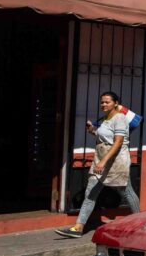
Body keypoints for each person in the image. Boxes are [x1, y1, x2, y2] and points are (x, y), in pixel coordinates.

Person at [56, 91, 140, 238]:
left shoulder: (119, 118)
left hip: (116, 160)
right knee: (90, 193)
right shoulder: (107, 119)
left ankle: (140, 222)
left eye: (107, 102)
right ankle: (78, 227)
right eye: (102, 102)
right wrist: (93, 130)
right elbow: (105, 137)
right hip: (101, 158)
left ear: (115, 103)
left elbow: (118, 142)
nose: (103, 104)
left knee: (126, 192)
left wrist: (103, 161)